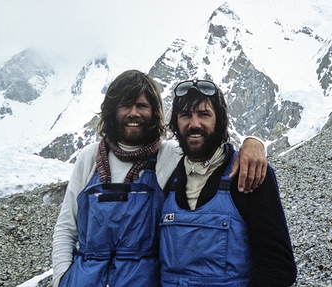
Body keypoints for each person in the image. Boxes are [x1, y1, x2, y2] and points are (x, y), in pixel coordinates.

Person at [52, 70, 268, 287]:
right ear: (112, 110)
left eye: (142, 106)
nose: (133, 113)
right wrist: (62, 279)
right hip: (84, 279)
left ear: (155, 112)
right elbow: (66, 227)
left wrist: (253, 143)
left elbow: (209, 149)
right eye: (125, 105)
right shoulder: (90, 157)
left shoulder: (170, 154)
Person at [159, 79, 297, 286]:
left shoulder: (249, 174)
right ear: (176, 123)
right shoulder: (165, 170)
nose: (194, 124)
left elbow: (278, 267)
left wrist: (254, 142)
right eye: (185, 115)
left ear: (220, 121)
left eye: (204, 115)